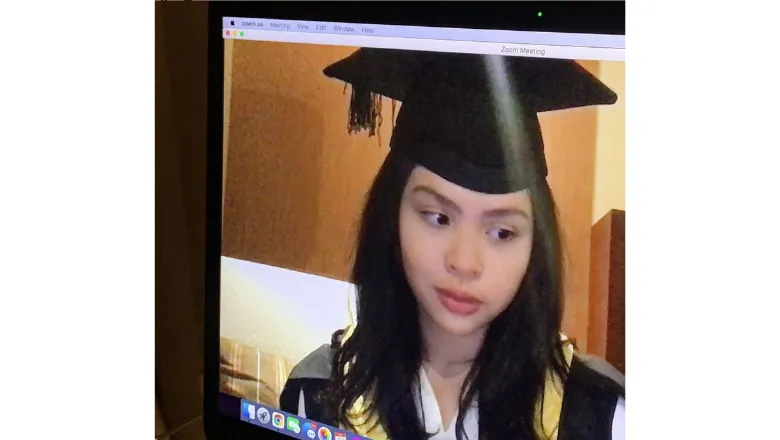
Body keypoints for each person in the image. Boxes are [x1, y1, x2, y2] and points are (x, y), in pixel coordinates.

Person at [279, 48, 625, 440]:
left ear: (535, 246)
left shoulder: (602, 415)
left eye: (501, 233)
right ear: (391, 218)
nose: (464, 262)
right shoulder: (319, 395)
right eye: (438, 218)